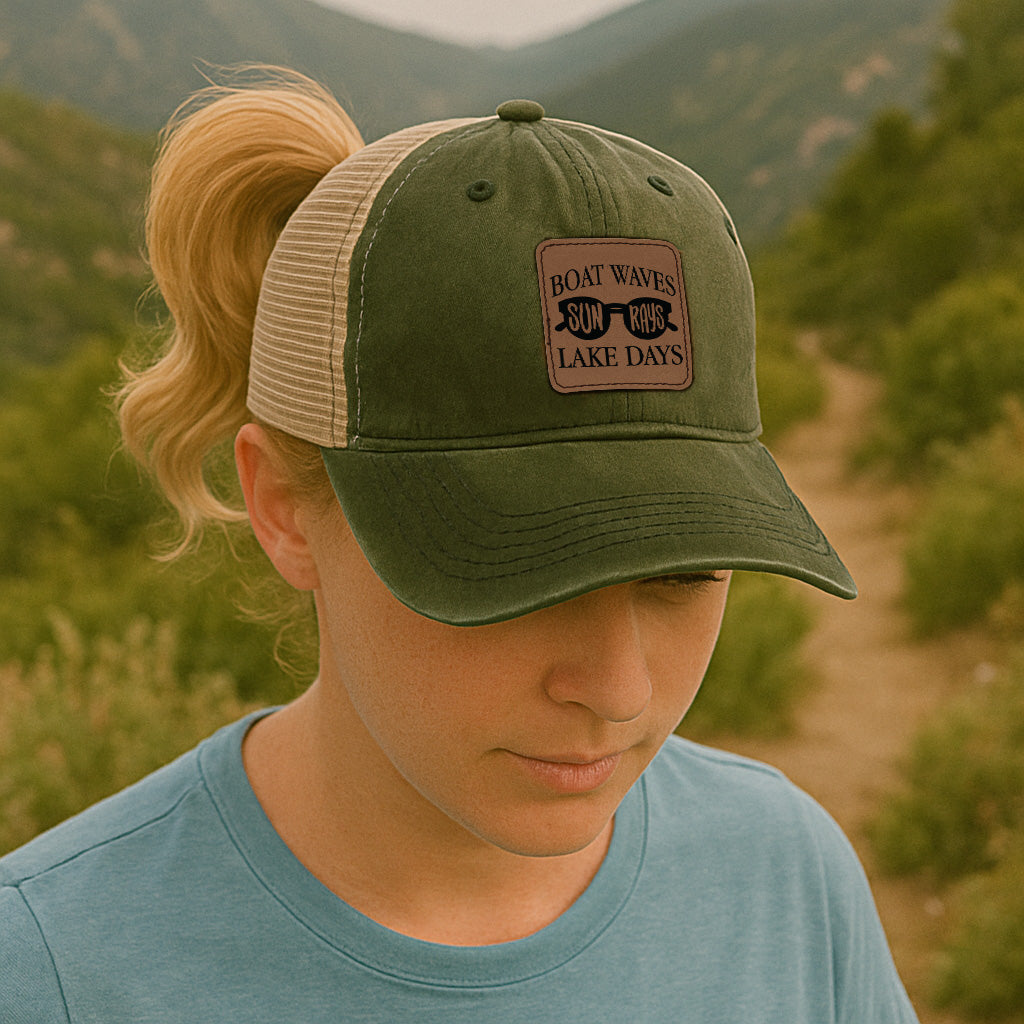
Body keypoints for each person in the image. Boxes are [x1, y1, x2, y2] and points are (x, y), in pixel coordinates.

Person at [0, 69, 918, 1022]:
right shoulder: (47, 971)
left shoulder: (786, 878)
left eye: (680, 572)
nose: (618, 690)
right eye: (518, 572)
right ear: (282, 508)